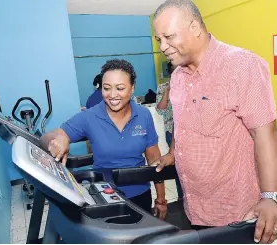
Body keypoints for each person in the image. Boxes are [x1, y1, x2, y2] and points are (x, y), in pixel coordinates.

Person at [153, 0, 277, 243]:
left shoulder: (242, 66)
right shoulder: (177, 76)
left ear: (195, 28)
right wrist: (173, 152)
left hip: (237, 213)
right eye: (159, 40)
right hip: (195, 206)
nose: (163, 47)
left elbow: (265, 134)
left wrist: (271, 197)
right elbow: (182, 122)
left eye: (168, 37)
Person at [40, 59, 167, 219]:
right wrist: (60, 139)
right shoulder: (90, 116)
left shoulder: (143, 114)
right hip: (105, 195)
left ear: (132, 88)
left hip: (140, 193)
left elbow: (154, 159)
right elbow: (46, 137)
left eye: (120, 88)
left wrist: (161, 199)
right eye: (107, 88)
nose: (112, 95)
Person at [155, 62, 183, 199]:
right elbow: (160, 110)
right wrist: (167, 91)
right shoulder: (162, 87)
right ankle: (181, 196)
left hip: (190, 133)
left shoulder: (189, 86)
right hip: (171, 133)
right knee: (177, 165)